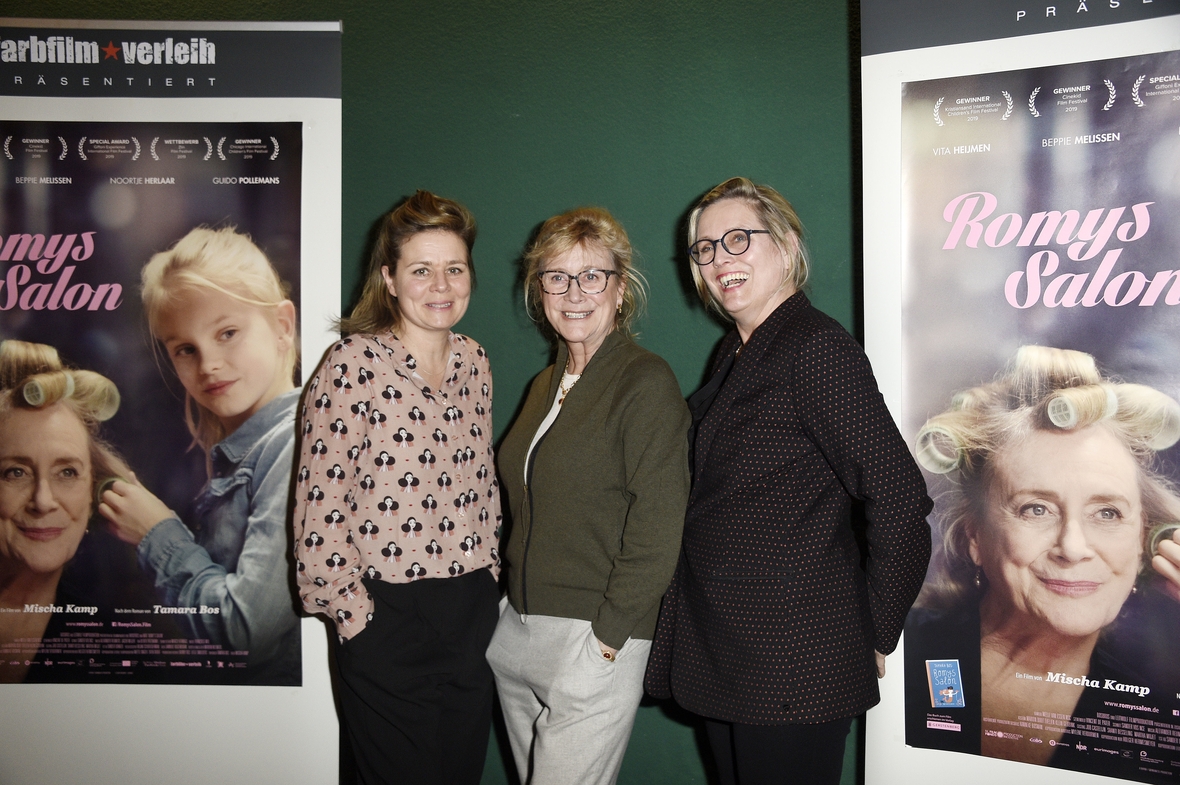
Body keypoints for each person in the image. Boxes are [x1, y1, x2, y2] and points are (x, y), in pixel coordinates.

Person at [644, 177, 933, 785]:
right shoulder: (735, 350)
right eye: (705, 249)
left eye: (738, 239)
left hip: (792, 660)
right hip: (730, 650)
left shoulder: (817, 347)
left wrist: (876, 625)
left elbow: (900, 496)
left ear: (785, 243)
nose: (721, 259)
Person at [293, 191, 501, 785]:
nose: (440, 285)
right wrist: (356, 617)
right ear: (388, 278)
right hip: (385, 613)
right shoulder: (351, 364)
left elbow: (481, 484)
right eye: (421, 269)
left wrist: (486, 577)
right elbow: (320, 507)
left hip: (467, 612)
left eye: (454, 268)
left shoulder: (474, 362)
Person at [904, 345, 1180, 773]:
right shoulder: (899, 651)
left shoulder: (1159, 718)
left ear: (1144, 539)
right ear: (975, 535)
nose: (1072, 548)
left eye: (1107, 513)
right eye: (1036, 509)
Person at [487, 207, 691, 785]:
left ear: (620, 288)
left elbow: (657, 528)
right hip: (518, 636)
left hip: (593, 638)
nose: (574, 292)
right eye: (557, 276)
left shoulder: (644, 382)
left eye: (592, 276)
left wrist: (605, 645)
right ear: (539, 289)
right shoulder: (544, 384)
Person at [98, 227, 302, 684]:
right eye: (185, 349)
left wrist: (157, 533)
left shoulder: (295, 447)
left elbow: (244, 631)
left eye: (227, 333)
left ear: (282, 327)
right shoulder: (241, 451)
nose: (207, 363)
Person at [0, 341, 126, 683]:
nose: (43, 501)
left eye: (67, 472)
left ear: (93, 491)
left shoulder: (114, 645)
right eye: (15, 472)